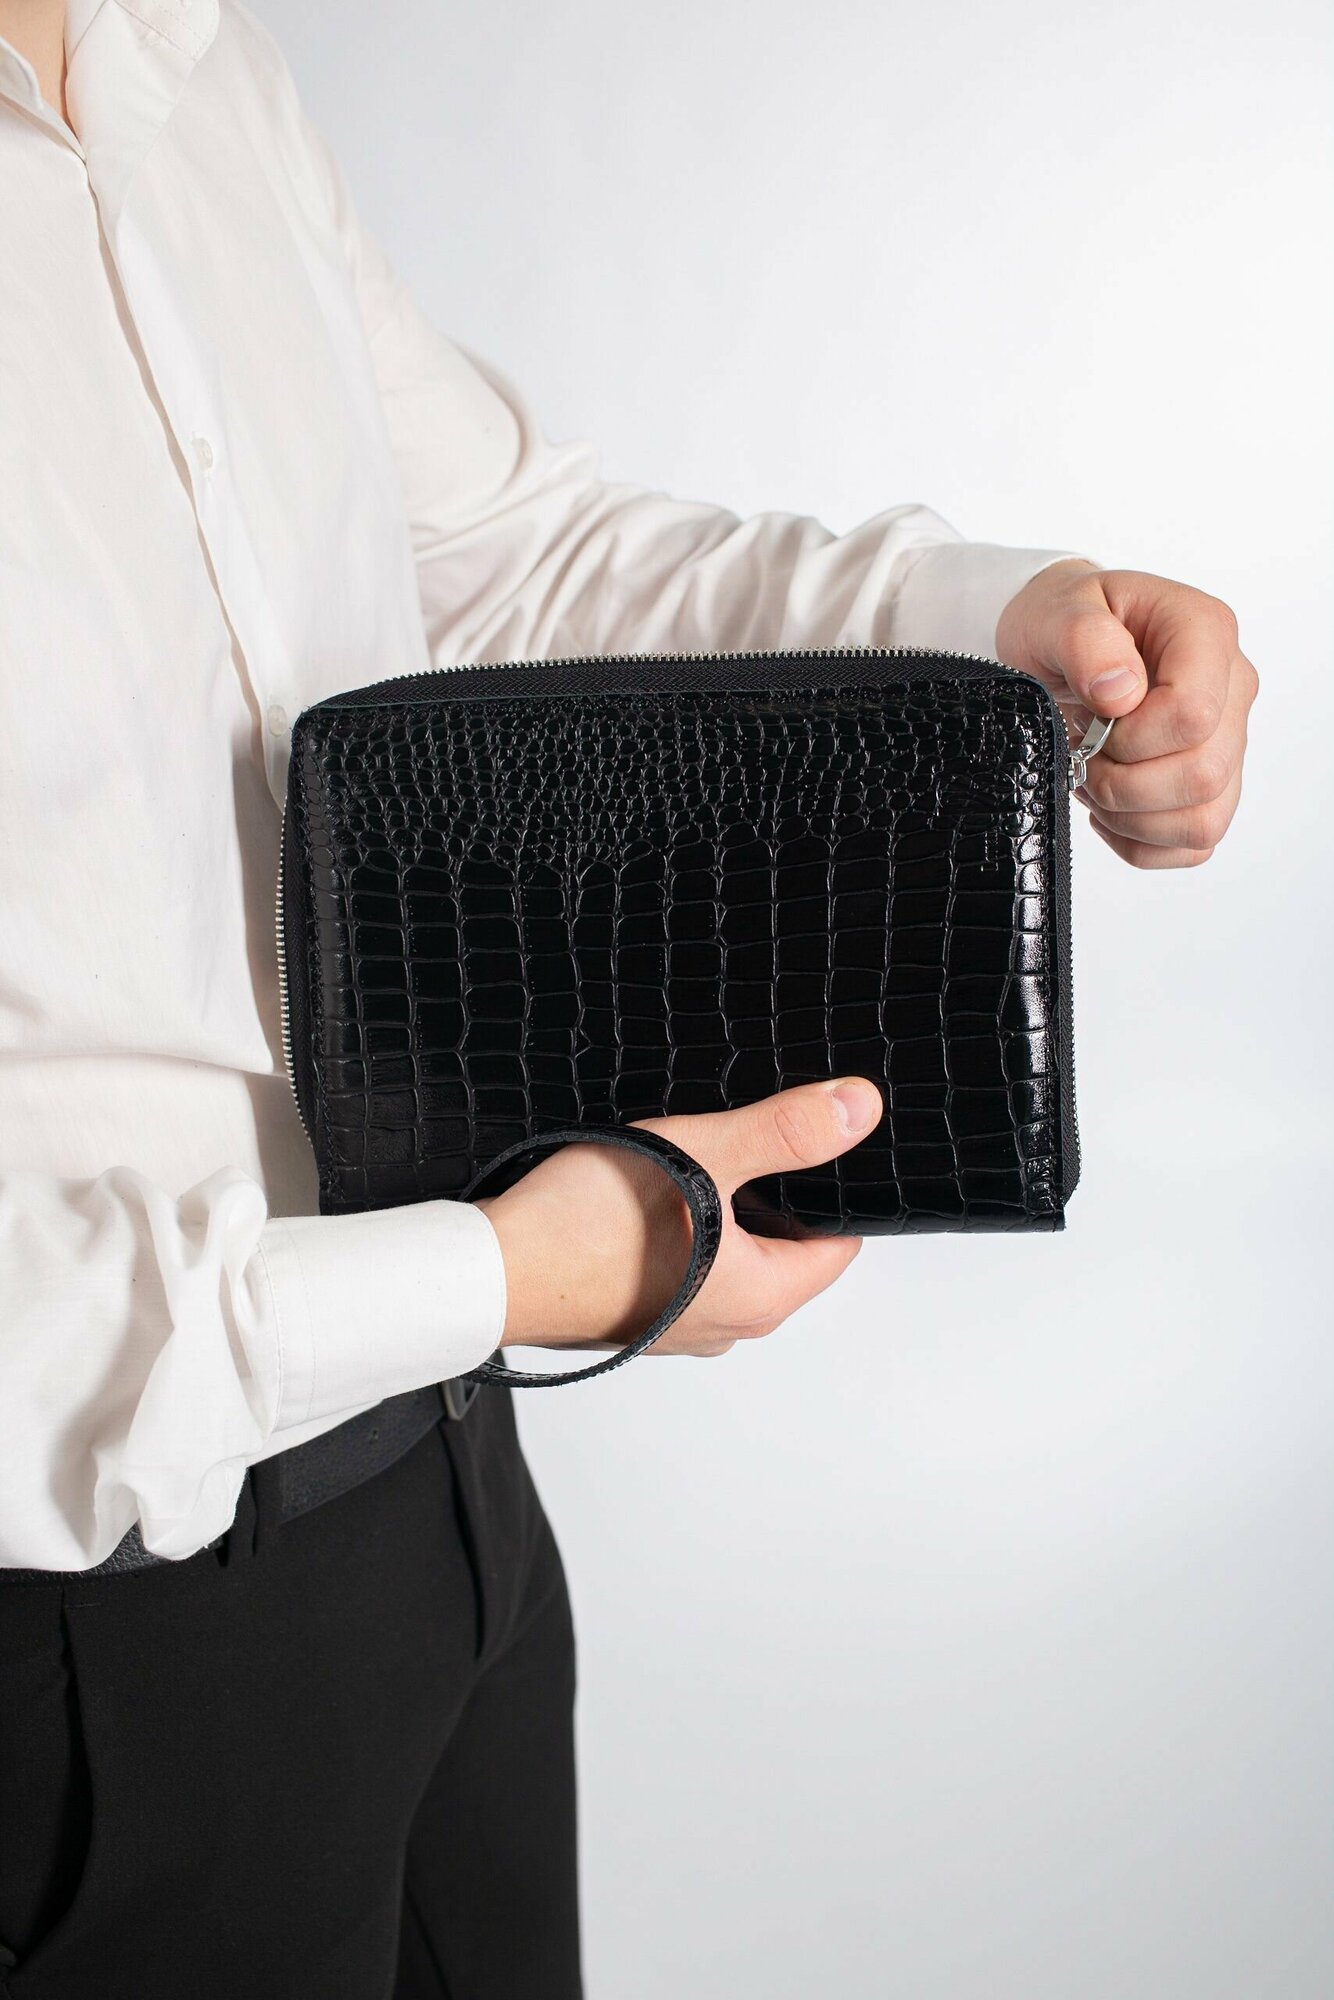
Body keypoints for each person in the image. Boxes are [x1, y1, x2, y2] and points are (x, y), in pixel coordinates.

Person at [0, 2, 1259, 1993]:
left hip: (443, 1481)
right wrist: (508, 1272)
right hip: (91, 1624)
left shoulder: (190, 56)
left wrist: (1005, 631)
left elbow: (498, 554)